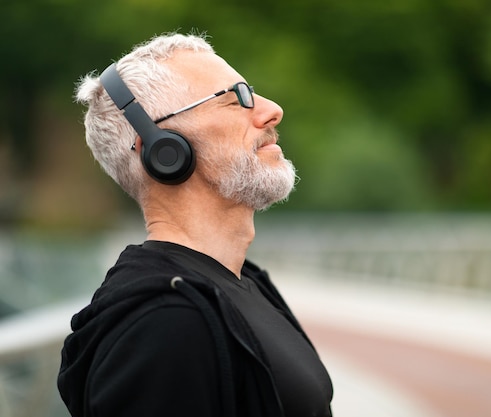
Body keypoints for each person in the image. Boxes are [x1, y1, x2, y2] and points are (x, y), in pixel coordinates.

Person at [57, 32, 333, 417]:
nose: (271, 110)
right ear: (162, 148)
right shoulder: (163, 325)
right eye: (233, 98)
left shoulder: (243, 283)